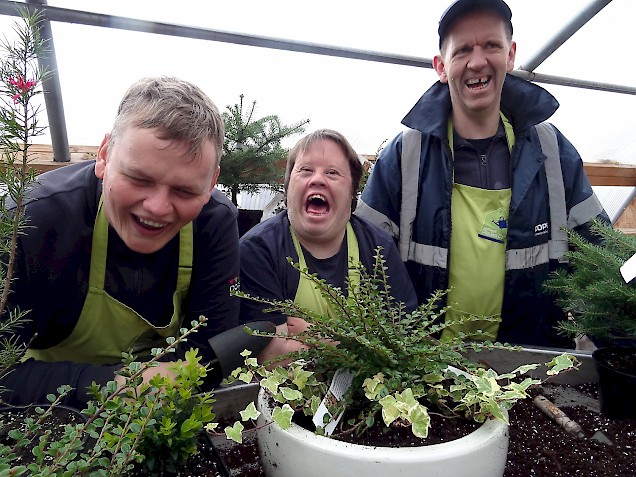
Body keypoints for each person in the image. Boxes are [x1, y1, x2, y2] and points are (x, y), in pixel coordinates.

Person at [355, 0, 609, 348]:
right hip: (422, 374)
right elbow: (360, 261)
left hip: (531, 371)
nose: (477, 61)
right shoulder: (405, 154)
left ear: (510, 55)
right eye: (462, 50)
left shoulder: (551, 151)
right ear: (441, 67)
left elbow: (603, 257)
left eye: (491, 45)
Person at [0, 76, 240, 407]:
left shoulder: (214, 223)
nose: (157, 207)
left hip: (152, 415)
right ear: (103, 155)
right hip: (41, 421)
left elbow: (211, 352)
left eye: (185, 191)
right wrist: (115, 386)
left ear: (211, 183)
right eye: (139, 178)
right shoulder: (29, 221)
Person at [239, 129, 418, 362]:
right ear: (287, 186)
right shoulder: (258, 251)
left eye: (332, 173)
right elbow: (273, 357)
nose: (317, 179)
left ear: (353, 192)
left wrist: (323, 336)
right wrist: (368, 344)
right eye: (305, 170)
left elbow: (405, 344)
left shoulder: (378, 248)